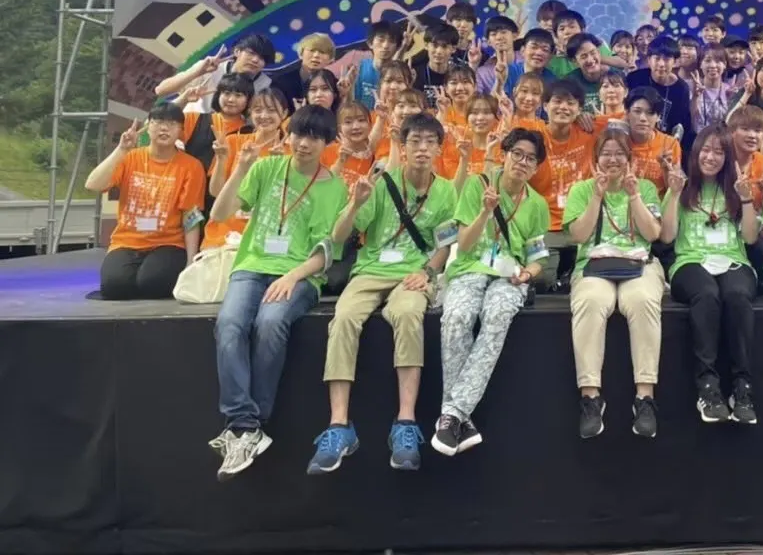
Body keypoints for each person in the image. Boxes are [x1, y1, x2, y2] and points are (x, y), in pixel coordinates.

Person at [307, 113, 458, 474]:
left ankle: (405, 423)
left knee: (408, 316)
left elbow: (444, 245)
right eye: (414, 141)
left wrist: (427, 272)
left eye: (430, 142)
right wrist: (356, 203)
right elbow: (339, 236)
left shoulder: (446, 190)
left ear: (439, 149)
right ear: (402, 147)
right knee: (344, 318)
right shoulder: (380, 183)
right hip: (371, 270)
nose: (422, 149)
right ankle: (339, 425)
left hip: (413, 274)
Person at [207, 105, 350, 480]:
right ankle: (245, 426)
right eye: (299, 134)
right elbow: (220, 214)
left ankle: (250, 424)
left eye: (314, 137)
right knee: (229, 324)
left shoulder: (334, 187)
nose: (303, 143)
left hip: (300, 276)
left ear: (327, 143)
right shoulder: (266, 168)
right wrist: (240, 168)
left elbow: (326, 252)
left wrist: (291, 277)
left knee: (270, 323)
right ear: (289, 135)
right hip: (252, 266)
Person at [433, 129, 551, 455]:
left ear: (536, 167)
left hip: (509, 275)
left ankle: (452, 413)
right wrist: (486, 211)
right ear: (505, 154)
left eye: (530, 159)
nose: (522, 162)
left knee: (497, 314)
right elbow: (464, 244)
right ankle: (460, 416)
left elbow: (538, 257)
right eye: (517, 154)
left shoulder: (537, 204)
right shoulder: (478, 184)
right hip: (469, 268)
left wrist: (528, 273)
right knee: (457, 316)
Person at [564, 130, 665, 439]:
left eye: (619, 153)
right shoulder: (582, 189)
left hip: (639, 264)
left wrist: (635, 196)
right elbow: (578, 235)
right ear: (596, 159)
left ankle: (644, 397)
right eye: (606, 153)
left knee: (642, 300)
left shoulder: (645, 187)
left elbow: (653, 234)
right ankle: (591, 397)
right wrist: (597, 196)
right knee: (591, 302)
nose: (613, 159)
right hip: (594, 265)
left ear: (629, 158)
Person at [663, 126, 760, 425]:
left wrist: (747, 200)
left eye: (719, 152)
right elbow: (667, 236)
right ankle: (708, 386)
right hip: (690, 262)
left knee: (736, 296)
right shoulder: (682, 188)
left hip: (733, 261)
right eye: (706, 149)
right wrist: (673, 193)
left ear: (728, 157)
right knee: (706, 294)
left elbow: (751, 238)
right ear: (695, 153)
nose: (711, 157)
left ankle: (742, 386)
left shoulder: (737, 190)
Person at [87, 102, 206, 299]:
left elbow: (191, 215)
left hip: (169, 243)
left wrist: (190, 261)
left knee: (152, 283)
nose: (164, 128)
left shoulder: (191, 167)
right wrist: (121, 150)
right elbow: (93, 184)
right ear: (148, 126)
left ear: (181, 131)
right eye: (158, 122)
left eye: (172, 124)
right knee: (114, 287)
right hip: (127, 241)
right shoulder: (130, 157)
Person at [206, 89, 291, 250]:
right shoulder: (233, 142)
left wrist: (277, 166)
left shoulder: (291, 152)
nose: (264, 116)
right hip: (224, 234)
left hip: (265, 237)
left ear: (284, 113)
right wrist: (222, 159)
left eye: (271, 110)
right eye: (258, 110)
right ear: (250, 113)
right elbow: (216, 192)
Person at [535, 79, 596, 287]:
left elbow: (626, 122)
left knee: (590, 279)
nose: (563, 107)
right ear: (545, 105)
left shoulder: (590, 132)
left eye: (571, 103)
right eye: (557, 101)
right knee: (541, 280)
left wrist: (588, 117)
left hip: (581, 222)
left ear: (579, 109)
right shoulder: (534, 137)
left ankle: (569, 273)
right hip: (546, 226)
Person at [155, 34, 276, 114]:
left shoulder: (264, 85)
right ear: (237, 51)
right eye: (251, 53)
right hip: (187, 126)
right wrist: (197, 72)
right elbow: (161, 90)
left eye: (262, 58)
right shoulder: (210, 68)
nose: (255, 60)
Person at [626, 36, 694, 144]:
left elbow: (682, 124)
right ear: (649, 60)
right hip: (633, 139)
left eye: (667, 59)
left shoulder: (681, 89)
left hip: (664, 143)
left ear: (675, 62)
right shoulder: (634, 78)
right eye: (657, 58)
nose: (661, 64)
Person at [623, 87, 682, 195]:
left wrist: (666, 171)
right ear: (627, 113)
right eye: (637, 111)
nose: (643, 118)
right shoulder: (619, 141)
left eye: (650, 113)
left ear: (658, 117)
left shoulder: (669, 144)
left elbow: (674, 191)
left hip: (658, 203)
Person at [348, 21, 404, 111]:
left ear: (397, 47)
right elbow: (351, 102)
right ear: (370, 43)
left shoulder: (401, 73)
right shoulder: (358, 68)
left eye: (391, 41)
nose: (385, 46)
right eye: (381, 40)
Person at [272, 33, 336, 109]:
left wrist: (344, 95)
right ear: (300, 54)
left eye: (322, 52)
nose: (316, 55)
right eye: (312, 50)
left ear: (330, 59)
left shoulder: (334, 84)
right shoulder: (281, 83)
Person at [412, 25, 460, 110]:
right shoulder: (415, 74)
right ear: (426, 45)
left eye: (444, 46)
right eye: (435, 45)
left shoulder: (459, 75)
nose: (439, 51)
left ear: (453, 49)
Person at [474, 15, 520, 96]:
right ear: (488, 42)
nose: (499, 37)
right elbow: (476, 100)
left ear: (515, 36)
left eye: (503, 32)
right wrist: (473, 65)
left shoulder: (527, 61)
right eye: (494, 34)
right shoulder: (482, 73)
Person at [691, 45, 733, 131]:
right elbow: (691, 117)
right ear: (700, 64)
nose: (713, 65)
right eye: (708, 61)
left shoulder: (730, 91)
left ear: (725, 65)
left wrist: (734, 99)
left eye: (718, 61)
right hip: (698, 137)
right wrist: (695, 97)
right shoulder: (693, 89)